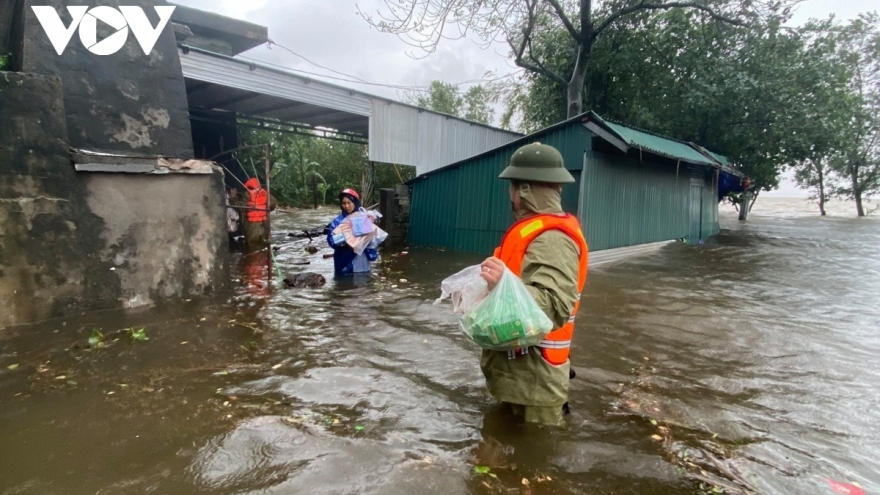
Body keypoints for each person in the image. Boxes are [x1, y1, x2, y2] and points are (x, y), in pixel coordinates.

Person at [478, 142, 589, 426]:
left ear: (523, 190)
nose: (510, 195)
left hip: (535, 380)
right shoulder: (535, 231)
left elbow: (553, 306)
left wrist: (502, 284)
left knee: (535, 460)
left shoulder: (552, 238)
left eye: (512, 187)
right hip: (522, 376)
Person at [326, 188, 378, 276]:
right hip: (344, 262)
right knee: (343, 287)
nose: (346, 206)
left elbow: (372, 240)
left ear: (355, 203)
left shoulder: (365, 218)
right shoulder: (337, 221)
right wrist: (346, 238)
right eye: (344, 203)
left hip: (362, 261)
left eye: (349, 203)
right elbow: (331, 241)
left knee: (363, 286)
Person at [243, 178, 277, 247]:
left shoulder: (247, 194)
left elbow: (243, 207)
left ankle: (254, 256)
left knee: (252, 243)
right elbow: (273, 201)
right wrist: (265, 207)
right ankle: (264, 255)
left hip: (252, 223)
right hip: (264, 221)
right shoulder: (264, 192)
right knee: (265, 241)